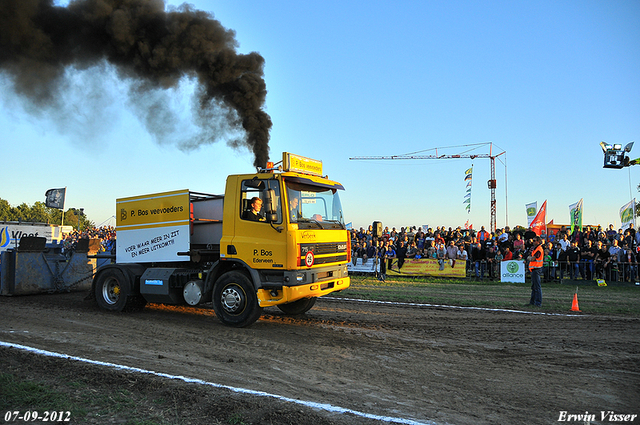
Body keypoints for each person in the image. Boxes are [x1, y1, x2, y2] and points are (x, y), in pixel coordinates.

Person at [528, 236, 544, 306]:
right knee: (534, 287)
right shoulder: (535, 249)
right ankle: (532, 302)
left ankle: (538, 303)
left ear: (538, 241)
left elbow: (532, 259)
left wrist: (529, 258)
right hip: (534, 269)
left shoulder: (539, 249)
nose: (533, 242)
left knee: (537, 287)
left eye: (534, 240)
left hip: (536, 269)